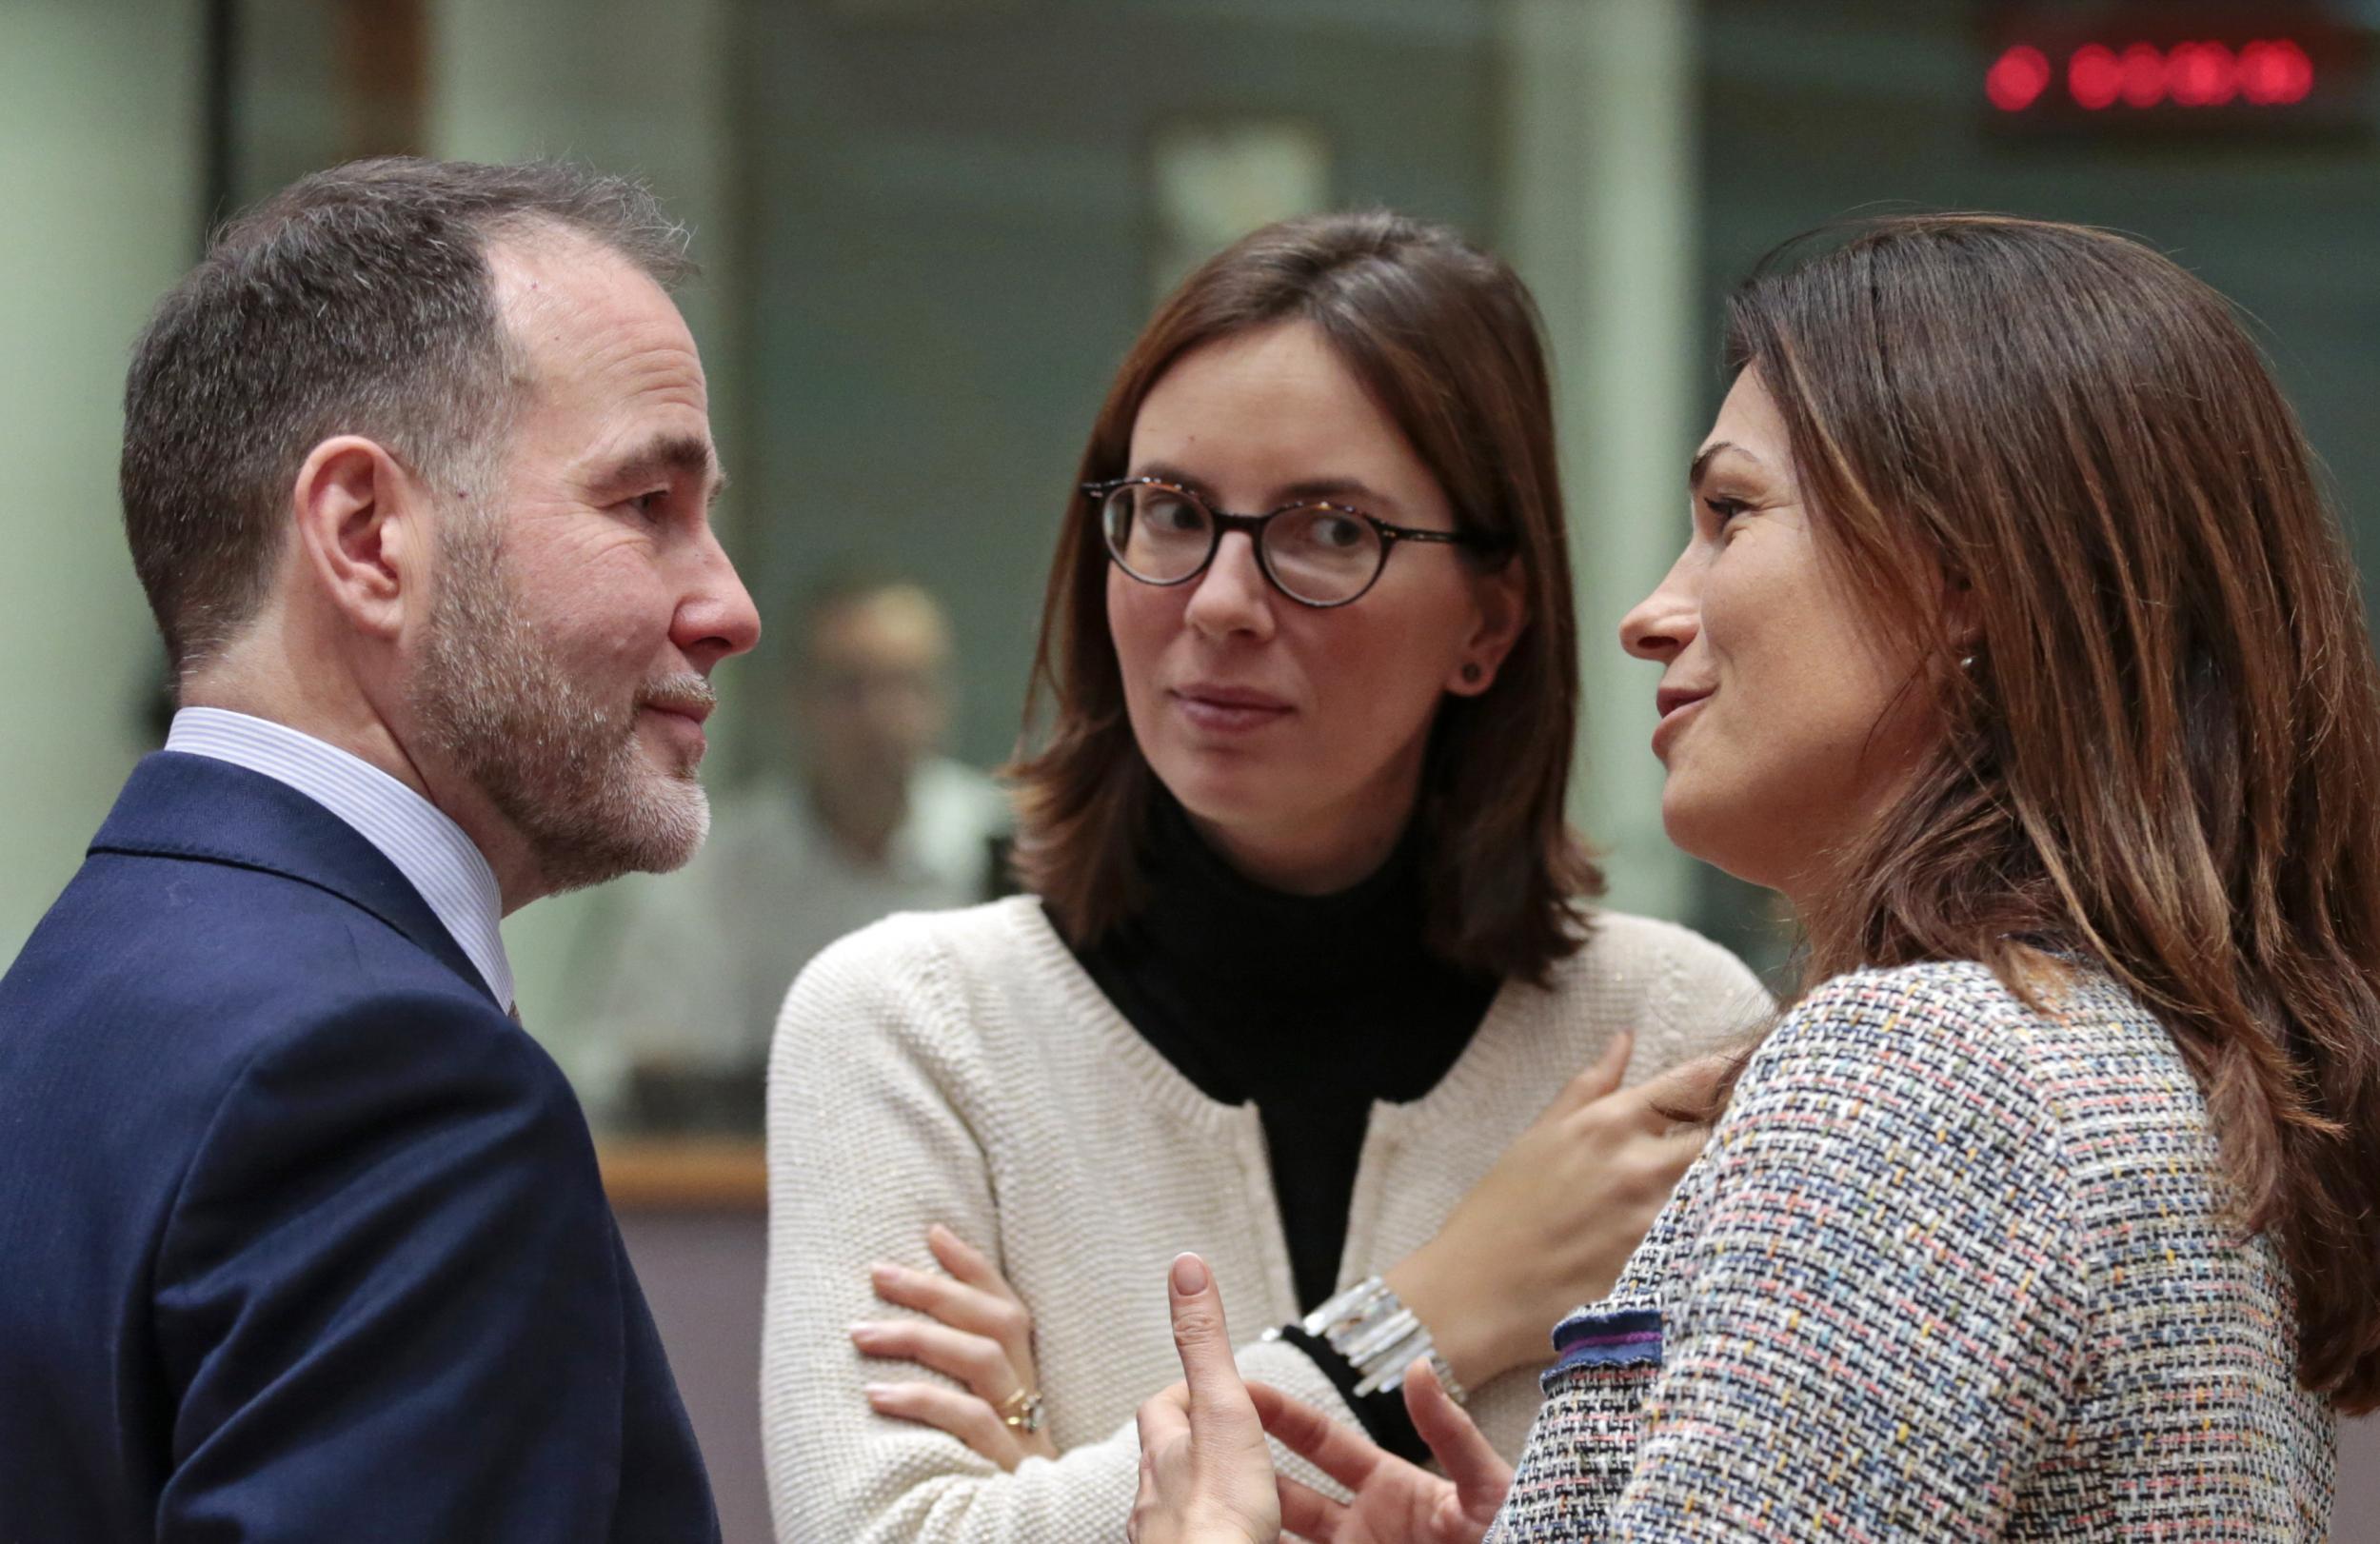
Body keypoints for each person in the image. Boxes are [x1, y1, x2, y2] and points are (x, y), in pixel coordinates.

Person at [1130, 213, 2377, 1542]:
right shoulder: (2151, 1055)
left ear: (1960, 572)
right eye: (1164, 514)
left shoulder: (1928, 1069)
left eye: (1731, 514)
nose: (1650, 610)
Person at [760, 210, 1770, 1541]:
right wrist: (1442, 1306)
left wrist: (1050, 1468)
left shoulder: (1669, 1034)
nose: (1222, 599)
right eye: (1172, 510)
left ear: (1488, 620)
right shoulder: (910, 1025)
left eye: (1331, 531)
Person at [0, 158, 762, 1539]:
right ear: (364, 535)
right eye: (647, 504)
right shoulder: (399, 1084)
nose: (727, 605)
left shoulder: (67, 992)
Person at [572, 574, 1008, 1129]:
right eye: (850, 688)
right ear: (797, 702)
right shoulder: (705, 871)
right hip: (755, 1196)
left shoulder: (1014, 851)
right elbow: (630, 1074)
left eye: (908, 685)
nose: (882, 717)